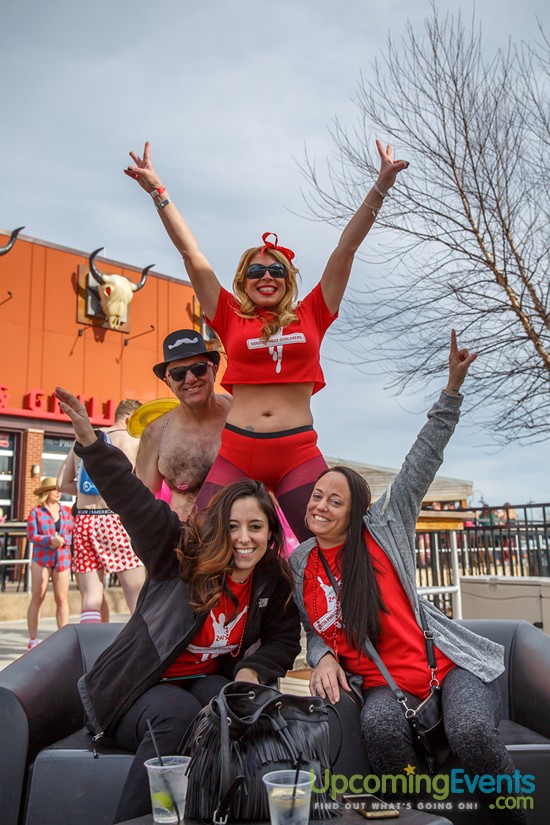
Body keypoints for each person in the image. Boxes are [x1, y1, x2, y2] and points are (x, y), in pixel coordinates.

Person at [290, 332, 526, 824]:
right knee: (378, 730)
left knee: (471, 733)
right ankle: (425, 818)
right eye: (317, 496)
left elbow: (423, 457)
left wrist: (452, 391)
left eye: (336, 500)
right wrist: (323, 656)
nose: (320, 505)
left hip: (447, 669)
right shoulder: (302, 562)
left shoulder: (385, 530)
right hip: (382, 687)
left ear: (356, 512)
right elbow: (315, 628)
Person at [124, 140, 408, 541]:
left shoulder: (314, 312)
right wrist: (158, 192)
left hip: (298, 452)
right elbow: (192, 254)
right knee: (202, 545)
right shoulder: (227, 316)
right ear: (243, 282)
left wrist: (381, 186)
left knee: (333, 546)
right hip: (238, 451)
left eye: (276, 270)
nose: (266, 277)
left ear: (288, 280)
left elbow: (346, 250)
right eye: (255, 272)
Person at [54, 386, 301, 824]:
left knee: (232, 708)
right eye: (233, 526)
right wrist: (92, 444)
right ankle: (139, 820)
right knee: (180, 715)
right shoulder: (179, 554)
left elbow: (283, 639)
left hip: (199, 682)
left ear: (270, 533)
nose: (244, 538)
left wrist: (251, 672)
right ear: (219, 528)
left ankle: (223, 815)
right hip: (136, 690)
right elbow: (135, 501)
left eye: (256, 527)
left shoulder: (272, 580)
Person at [57, 399, 146, 621]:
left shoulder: (85, 437)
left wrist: (91, 492)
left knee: (90, 598)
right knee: (136, 594)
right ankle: (144, 651)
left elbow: (61, 484)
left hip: (85, 520)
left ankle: (91, 652)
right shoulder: (133, 440)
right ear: (129, 418)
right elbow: (146, 483)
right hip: (116, 519)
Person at [135, 329, 232, 520]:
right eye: (179, 374)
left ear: (213, 370)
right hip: (185, 542)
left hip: (242, 541)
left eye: (198, 368)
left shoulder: (241, 413)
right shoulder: (156, 432)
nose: (190, 379)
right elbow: (142, 500)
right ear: (168, 382)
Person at [26, 477, 74, 650]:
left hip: (62, 558)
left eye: (59, 488)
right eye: (55, 489)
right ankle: (33, 639)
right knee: (38, 596)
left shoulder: (67, 512)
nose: (58, 492)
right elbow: (32, 535)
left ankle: (63, 640)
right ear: (46, 492)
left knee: (62, 598)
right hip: (41, 558)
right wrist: (49, 540)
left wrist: (62, 540)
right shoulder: (36, 512)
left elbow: (72, 534)